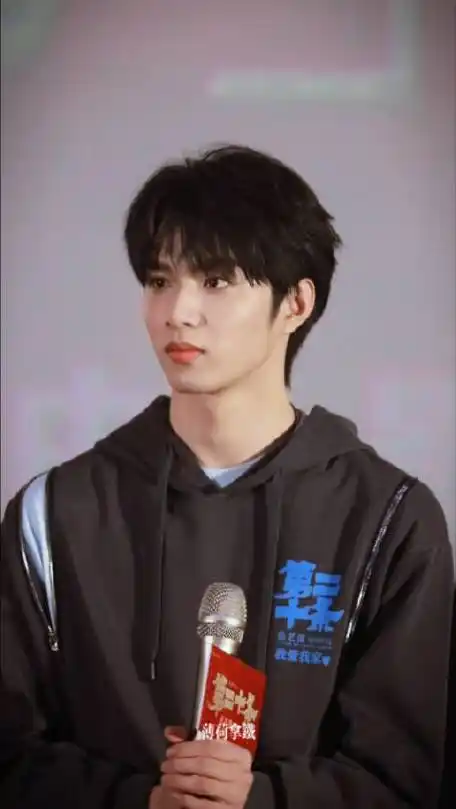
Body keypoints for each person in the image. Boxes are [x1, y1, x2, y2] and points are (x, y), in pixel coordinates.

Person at [0, 144, 453, 809]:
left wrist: (263, 798)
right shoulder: (54, 512)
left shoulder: (389, 518)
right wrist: (141, 800)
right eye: (159, 280)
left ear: (296, 302)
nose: (177, 311)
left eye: (215, 281)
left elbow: (407, 777)